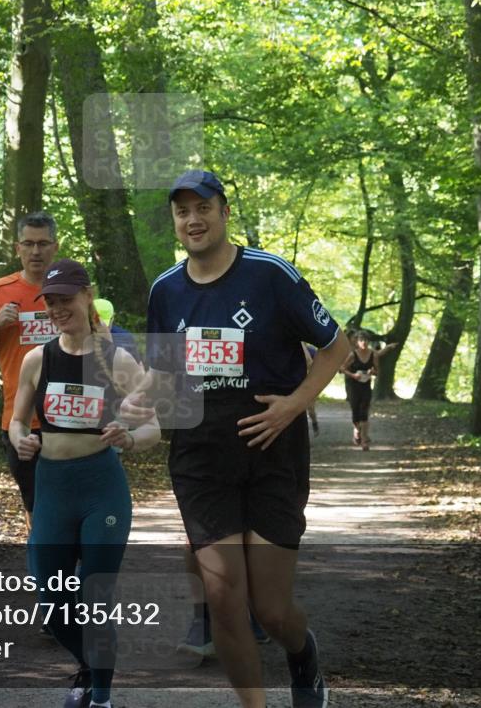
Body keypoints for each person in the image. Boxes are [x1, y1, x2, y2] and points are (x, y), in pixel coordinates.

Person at [120, 169, 348, 708]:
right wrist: (140, 398)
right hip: (200, 455)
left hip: (272, 448)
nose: (193, 219)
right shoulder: (166, 289)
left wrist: (294, 405)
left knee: (270, 609)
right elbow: (166, 371)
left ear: (224, 212)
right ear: (175, 222)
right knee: (223, 598)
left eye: (203, 208)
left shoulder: (270, 275)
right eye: (182, 211)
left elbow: (335, 347)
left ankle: (302, 653)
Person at [9, 259, 160, 708]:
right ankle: (93, 666)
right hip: (53, 486)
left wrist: (128, 438)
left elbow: (154, 429)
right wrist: (21, 442)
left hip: (101, 487)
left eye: (66, 300)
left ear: (87, 296)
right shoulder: (38, 359)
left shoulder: (117, 359)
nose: (58, 309)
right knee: (54, 605)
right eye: (51, 302)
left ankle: (101, 697)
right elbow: (17, 423)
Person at [0, 212, 59, 530]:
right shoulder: (0, 292)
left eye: (43, 243)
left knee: (69, 505)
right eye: (29, 244)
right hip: (21, 421)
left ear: (55, 247)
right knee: (37, 507)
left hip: (71, 415)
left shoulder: (72, 287)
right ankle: (48, 574)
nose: (36, 251)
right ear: (18, 248)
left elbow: (97, 343)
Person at [341, 330, 397, 450]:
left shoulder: (373, 355)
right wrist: (353, 375)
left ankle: (364, 440)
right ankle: (357, 430)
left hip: (366, 386)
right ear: (357, 342)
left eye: (366, 340)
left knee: (364, 412)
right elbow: (342, 369)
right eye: (362, 340)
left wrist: (373, 372)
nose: (364, 343)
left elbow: (377, 371)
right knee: (355, 412)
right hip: (353, 386)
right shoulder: (352, 355)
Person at [93, 298, 142, 366]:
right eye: (96, 323)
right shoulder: (78, 336)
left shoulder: (125, 337)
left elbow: (138, 366)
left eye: (104, 324)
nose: (100, 328)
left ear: (113, 318)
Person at [302, 343, 320, 435]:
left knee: (310, 408)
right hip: (295, 382)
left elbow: (310, 363)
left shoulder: (312, 350)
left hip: (309, 382)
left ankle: (314, 422)